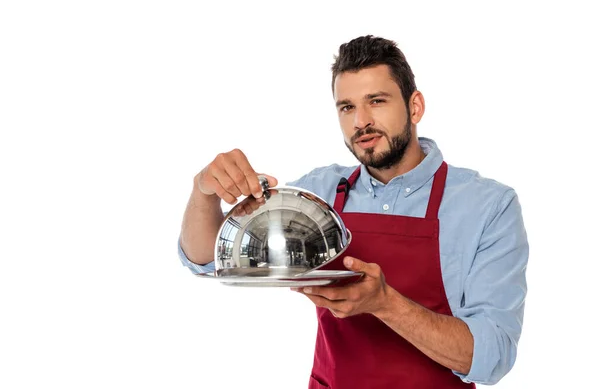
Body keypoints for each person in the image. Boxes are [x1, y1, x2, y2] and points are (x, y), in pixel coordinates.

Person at [177, 35, 529, 388]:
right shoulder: (320, 195)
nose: (361, 122)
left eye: (376, 101)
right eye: (347, 107)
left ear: (415, 106)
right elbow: (209, 257)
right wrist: (204, 191)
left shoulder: (488, 206)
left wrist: (385, 303)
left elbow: (491, 356)